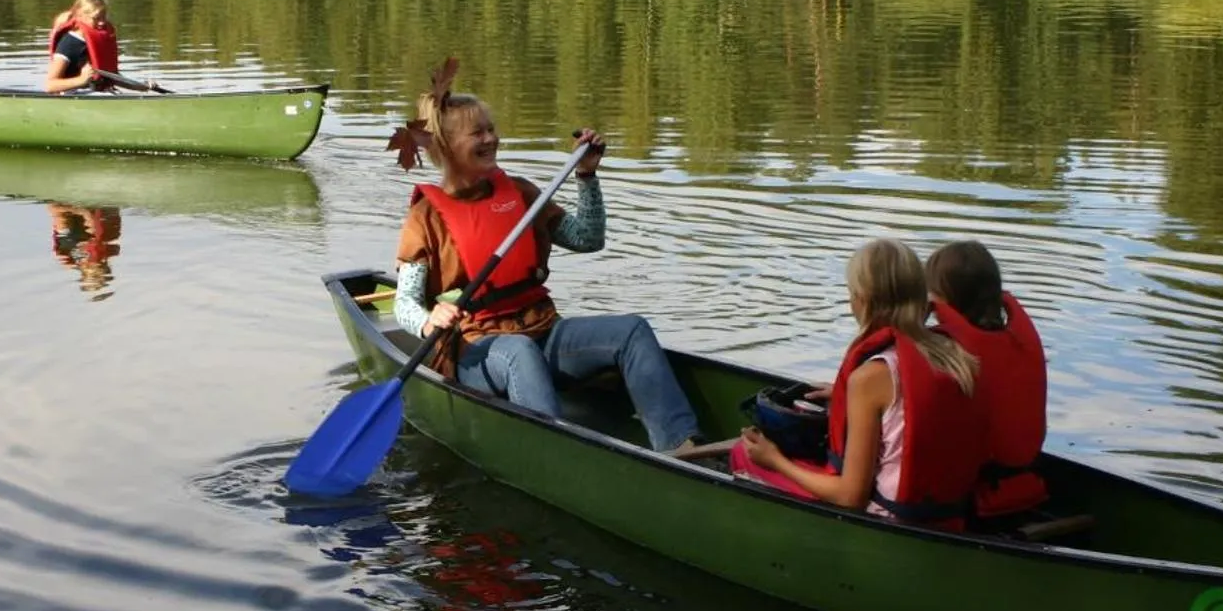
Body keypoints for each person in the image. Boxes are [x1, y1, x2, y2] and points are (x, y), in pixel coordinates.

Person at [388, 72, 702, 454]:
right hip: (478, 350)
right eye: (477, 134)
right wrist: (428, 320)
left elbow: (588, 239)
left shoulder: (521, 193)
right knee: (520, 351)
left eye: (491, 129)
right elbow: (405, 303)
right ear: (447, 146)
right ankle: (560, 456)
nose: (491, 139)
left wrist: (587, 175)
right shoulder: (426, 218)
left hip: (545, 332)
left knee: (631, 331)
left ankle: (680, 448)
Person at [731, 238, 982, 529]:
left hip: (892, 519)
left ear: (862, 299)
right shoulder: (957, 357)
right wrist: (842, 395)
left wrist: (774, 460)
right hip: (951, 515)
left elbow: (850, 496)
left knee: (742, 452)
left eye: (851, 292)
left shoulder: (870, 378)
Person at [925, 239, 1049, 520]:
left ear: (941, 297)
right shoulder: (1019, 342)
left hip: (968, 498)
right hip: (1025, 484)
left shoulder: (942, 349)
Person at [45, 0, 166, 94]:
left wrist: (141, 87)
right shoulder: (69, 44)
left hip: (98, 95)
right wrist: (81, 80)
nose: (102, 22)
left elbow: (111, 76)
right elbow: (50, 86)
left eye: (104, 17)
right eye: (96, 18)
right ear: (80, 16)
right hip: (74, 98)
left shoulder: (99, 41)